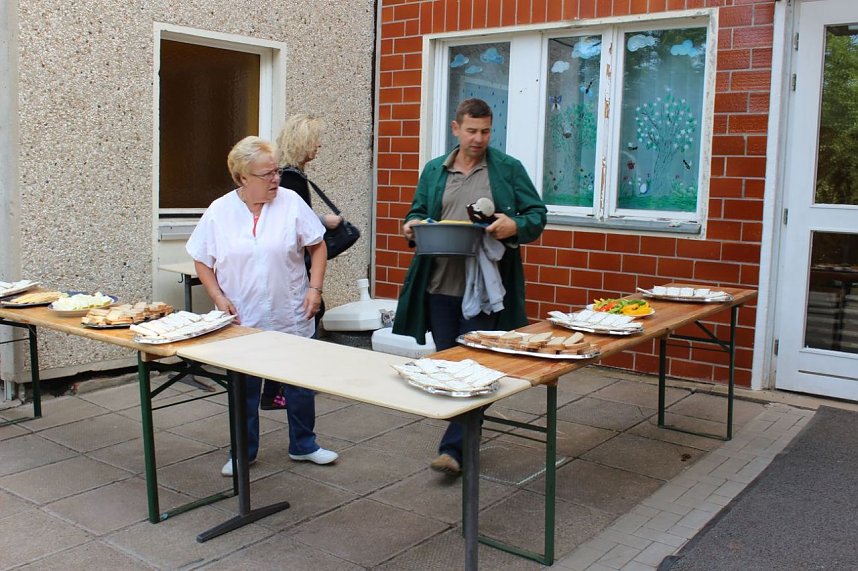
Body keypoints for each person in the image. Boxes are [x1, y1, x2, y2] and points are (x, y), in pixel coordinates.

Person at [392, 98, 547, 476]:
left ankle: (454, 449)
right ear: (455, 128)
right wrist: (411, 226)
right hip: (440, 283)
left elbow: (536, 215)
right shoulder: (435, 170)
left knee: (476, 366)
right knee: (450, 368)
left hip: (487, 287)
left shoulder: (507, 169)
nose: (479, 139)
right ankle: (465, 438)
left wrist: (516, 226)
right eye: (472, 130)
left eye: (486, 131)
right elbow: (416, 211)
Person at [186, 135, 338, 477]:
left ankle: (304, 444)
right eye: (266, 174)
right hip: (243, 315)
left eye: (276, 172)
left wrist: (315, 288)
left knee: (299, 383)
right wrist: (218, 297)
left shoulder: (291, 203)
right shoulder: (219, 212)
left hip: (291, 310)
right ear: (243, 178)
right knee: (244, 389)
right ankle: (242, 452)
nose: (275, 180)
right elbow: (201, 260)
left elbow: (317, 246)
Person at [258, 113, 342, 410]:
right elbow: (295, 223)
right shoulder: (291, 178)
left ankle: (279, 390)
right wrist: (325, 221)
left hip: (293, 264)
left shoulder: (288, 175)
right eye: (315, 139)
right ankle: (280, 391)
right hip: (295, 266)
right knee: (301, 321)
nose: (319, 145)